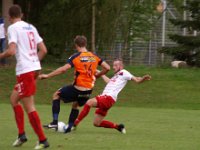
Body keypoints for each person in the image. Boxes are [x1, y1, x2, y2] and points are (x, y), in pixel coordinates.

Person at [0, 5, 49, 149]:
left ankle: (42, 140)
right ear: (21, 14)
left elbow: (11, 51)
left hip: (25, 71)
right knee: (14, 99)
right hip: (34, 69)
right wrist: (34, 62)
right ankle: (22, 135)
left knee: (30, 107)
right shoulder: (31, 27)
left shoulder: (13, 28)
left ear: (9, 17)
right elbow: (44, 50)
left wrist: (1, 56)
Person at [39, 35, 110, 133]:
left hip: (78, 88)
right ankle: (69, 127)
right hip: (88, 90)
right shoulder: (94, 56)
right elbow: (107, 67)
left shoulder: (76, 57)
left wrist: (47, 75)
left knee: (56, 95)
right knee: (75, 104)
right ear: (85, 44)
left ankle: (54, 122)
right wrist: (97, 75)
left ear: (76, 45)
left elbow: (63, 69)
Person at [73, 59, 151, 133]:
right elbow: (109, 82)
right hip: (108, 100)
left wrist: (143, 78)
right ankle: (118, 127)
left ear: (121, 66)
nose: (114, 67)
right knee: (97, 123)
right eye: (113, 65)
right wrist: (100, 72)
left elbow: (137, 80)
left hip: (108, 98)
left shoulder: (124, 72)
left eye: (116, 65)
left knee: (89, 102)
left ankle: (74, 124)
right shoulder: (116, 76)